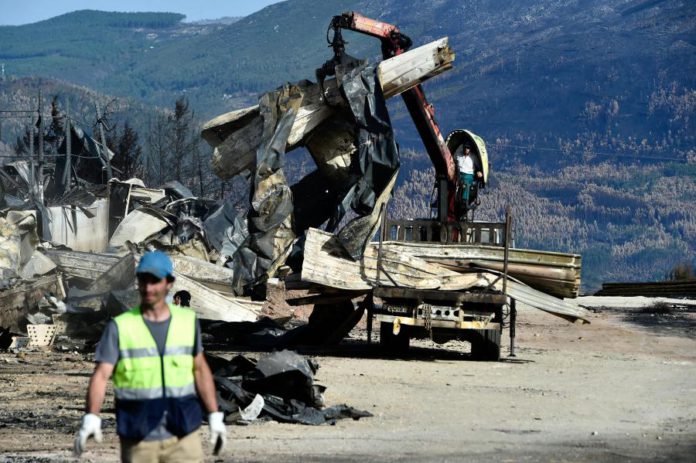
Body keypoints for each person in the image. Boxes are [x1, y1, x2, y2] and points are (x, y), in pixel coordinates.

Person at [74, 251, 227, 462]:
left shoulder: (187, 322)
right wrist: (91, 416)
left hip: (183, 433)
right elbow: (101, 376)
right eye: (143, 280)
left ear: (169, 283)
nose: (148, 287)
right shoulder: (121, 327)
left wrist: (214, 415)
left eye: (154, 281)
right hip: (139, 435)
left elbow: (200, 369)